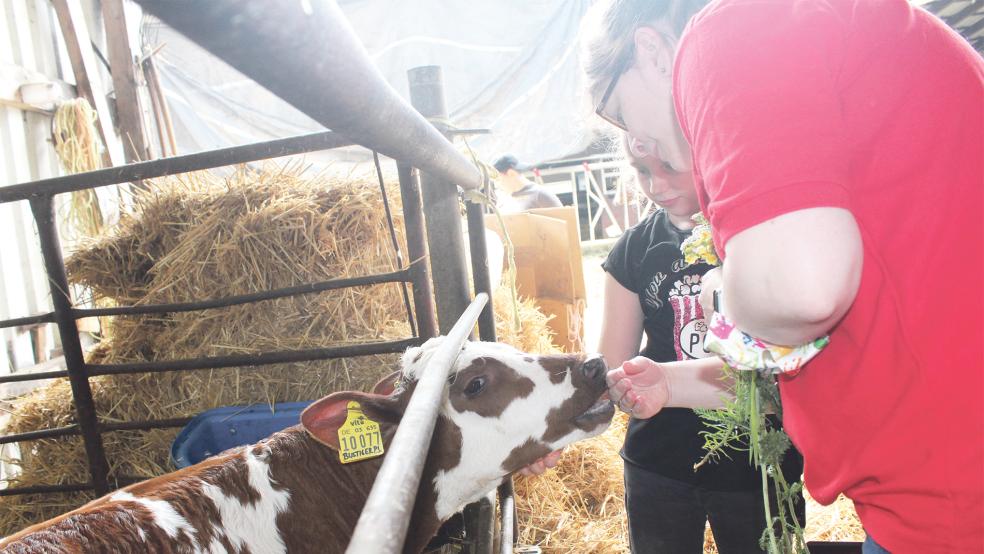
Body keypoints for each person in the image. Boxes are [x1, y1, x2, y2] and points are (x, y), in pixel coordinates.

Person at [582, 1, 983, 553]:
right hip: (933, 487)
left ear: (649, 49)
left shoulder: (732, 27)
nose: (640, 142)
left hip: (949, 503)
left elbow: (805, 289)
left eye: (620, 114)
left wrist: (721, 292)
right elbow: (811, 338)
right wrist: (674, 382)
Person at [600, 133, 803, 553]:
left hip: (758, 465)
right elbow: (610, 363)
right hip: (659, 462)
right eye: (642, 172)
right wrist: (620, 389)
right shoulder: (634, 249)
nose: (656, 186)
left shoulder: (755, 235)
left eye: (669, 168)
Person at [492, 154, 563, 212]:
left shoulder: (541, 195)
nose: (496, 185)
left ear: (511, 173)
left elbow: (566, 225)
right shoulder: (504, 199)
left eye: (497, 180)